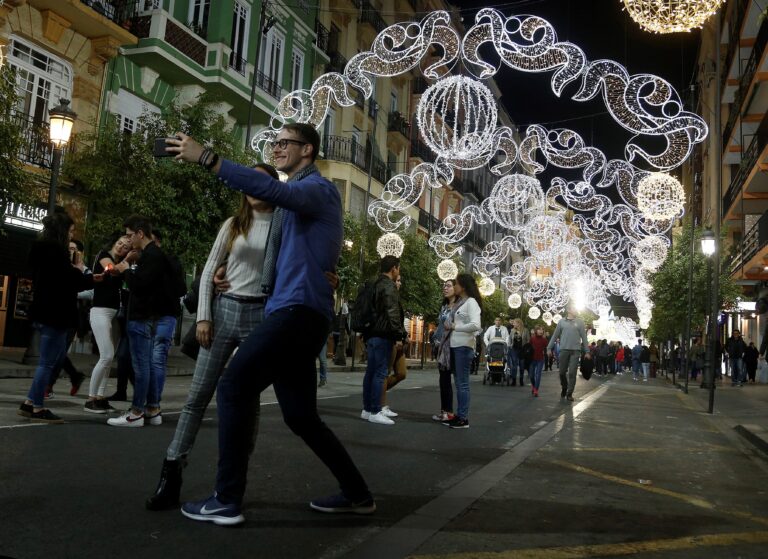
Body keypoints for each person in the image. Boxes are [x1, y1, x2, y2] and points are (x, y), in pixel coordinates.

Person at [168, 124, 373, 524]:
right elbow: (287, 250)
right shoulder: (291, 208)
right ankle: (357, 492)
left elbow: (275, 191)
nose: (276, 148)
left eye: (284, 143)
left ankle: (226, 498)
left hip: (297, 312)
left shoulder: (317, 189)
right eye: (273, 142)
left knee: (233, 386)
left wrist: (209, 159)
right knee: (300, 416)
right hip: (295, 310)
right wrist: (223, 275)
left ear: (307, 150)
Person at [146, 164, 282, 510]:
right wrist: (204, 316)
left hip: (260, 315)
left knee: (247, 402)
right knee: (197, 397)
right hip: (223, 313)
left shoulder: (284, 225)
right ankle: (171, 473)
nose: (252, 186)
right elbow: (209, 271)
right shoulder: (234, 224)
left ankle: (235, 481)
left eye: (261, 180)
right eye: (247, 180)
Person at [18, 212, 100, 423]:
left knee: (48, 361)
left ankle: (29, 402)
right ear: (62, 231)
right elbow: (69, 281)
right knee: (48, 363)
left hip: (42, 310)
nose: (72, 237)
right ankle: (37, 407)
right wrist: (83, 271)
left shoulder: (39, 249)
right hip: (56, 313)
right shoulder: (57, 252)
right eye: (71, 232)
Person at [107, 215, 178, 427]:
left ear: (140, 233)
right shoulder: (152, 255)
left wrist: (126, 269)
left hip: (141, 316)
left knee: (142, 366)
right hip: (146, 316)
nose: (128, 241)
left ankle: (137, 412)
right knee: (145, 364)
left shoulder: (152, 255)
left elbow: (140, 285)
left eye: (130, 236)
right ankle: (151, 408)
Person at [83, 233, 134, 413]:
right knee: (106, 356)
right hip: (100, 312)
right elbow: (111, 270)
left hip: (113, 314)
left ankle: (101, 397)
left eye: (126, 246)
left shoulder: (125, 265)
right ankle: (90, 399)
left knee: (108, 357)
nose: (121, 247)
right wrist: (127, 260)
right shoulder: (104, 255)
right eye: (120, 243)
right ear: (114, 243)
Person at [361, 256, 404, 426]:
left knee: (371, 372)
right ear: (393, 268)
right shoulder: (388, 286)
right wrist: (399, 334)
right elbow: (392, 312)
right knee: (380, 373)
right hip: (383, 334)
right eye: (398, 269)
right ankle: (375, 411)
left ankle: (367, 409)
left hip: (371, 334)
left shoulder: (373, 284)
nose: (398, 272)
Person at [442, 273, 482, 429]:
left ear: (463, 286)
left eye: (456, 284)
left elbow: (475, 325)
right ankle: (459, 415)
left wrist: (455, 327)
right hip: (456, 345)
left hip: (464, 347)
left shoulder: (471, 302)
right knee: (459, 383)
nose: (455, 286)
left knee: (462, 384)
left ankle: (463, 418)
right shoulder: (461, 302)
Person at [546, 305, 588, 402]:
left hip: (575, 351)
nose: (575, 309)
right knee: (561, 372)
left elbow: (584, 338)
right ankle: (564, 387)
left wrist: (587, 351)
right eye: (573, 308)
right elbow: (555, 335)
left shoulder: (580, 322)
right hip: (564, 350)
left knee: (572, 373)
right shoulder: (561, 322)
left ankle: (569, 393)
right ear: (569, 310)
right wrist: (548, 348)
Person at [380, 276, 408, 414]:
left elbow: (399, 321)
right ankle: (382, 405)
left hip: (400, 339)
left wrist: (404, 335)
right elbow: (390, 319)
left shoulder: (397, 298)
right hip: (391, 339)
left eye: (400, 281)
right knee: (385, 373)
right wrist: (397, 337)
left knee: (402, 373)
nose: (399, 283)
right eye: (397, 280)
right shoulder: (388, 296)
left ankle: (376, 391)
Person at [433, 279, 457, 422]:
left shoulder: (458, 307)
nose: (445, 288)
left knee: (454, 381)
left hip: (453, 346)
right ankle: (445, 411)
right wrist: (436, 339)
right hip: (442, 346)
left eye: (448, 286)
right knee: (444, 380)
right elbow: (440, 325)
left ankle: (450, 412)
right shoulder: (444, 306)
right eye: (444, 286)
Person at [508, 318, 529, 386]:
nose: (513, 324)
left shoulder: (525, 330)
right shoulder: (512, 330)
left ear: (518, 323)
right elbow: (510, 339)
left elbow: (528, 340)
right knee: (514, 365)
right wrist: (510, 345)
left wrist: (526, 349)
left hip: (522, 350)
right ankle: (514, 380)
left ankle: (521, 380)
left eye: (514, 323)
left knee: (522, 365)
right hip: (514, 349)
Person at [528, 326, 548, 397]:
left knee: (538, 375)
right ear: (536, 330)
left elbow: (547, 348)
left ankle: (536, 390)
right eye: (539, 329)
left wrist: (549, 352)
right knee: (531, 375)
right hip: (532, 359)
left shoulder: (544, 340)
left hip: (540, 359)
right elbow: (528, 348)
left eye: (542, 330)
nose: (541, 331)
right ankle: (533, 386)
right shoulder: (532, 339)